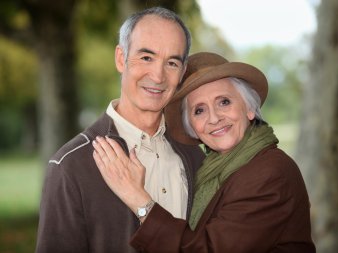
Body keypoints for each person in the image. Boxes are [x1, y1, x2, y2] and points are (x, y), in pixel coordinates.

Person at [93, 52, 316, 252]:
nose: (214, 118)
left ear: (249, 109)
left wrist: (138, 199)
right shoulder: (209, 170)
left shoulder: (270, 172)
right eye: (199, 110)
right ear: (192, 127)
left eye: (224, 102)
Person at [35, 7, 205, 253]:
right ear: (120, 58)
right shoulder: (70, 166)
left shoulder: (195, 157)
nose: (157, 76)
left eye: (171, 63)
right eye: (146, 57)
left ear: (183, 71)